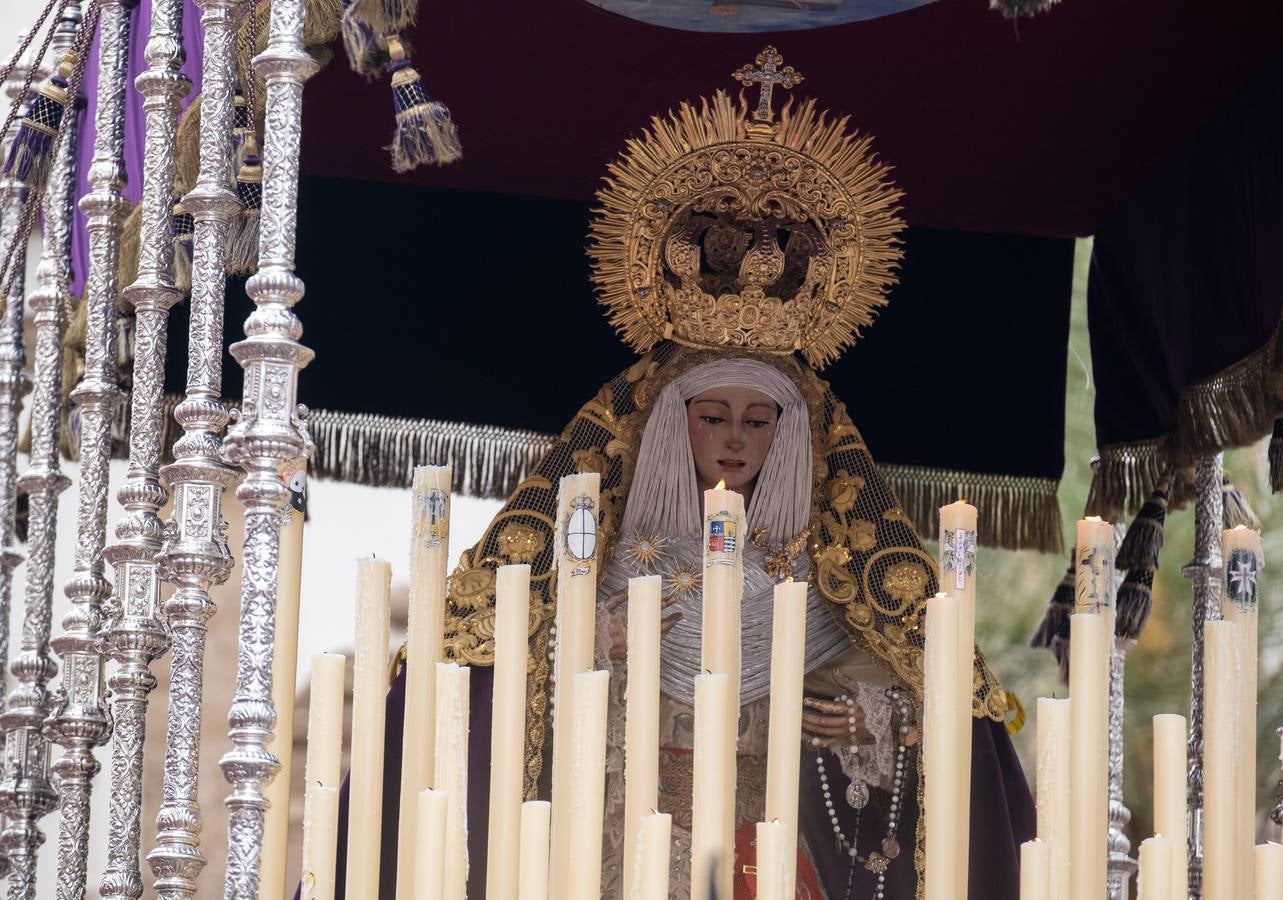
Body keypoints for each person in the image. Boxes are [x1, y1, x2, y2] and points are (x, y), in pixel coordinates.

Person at [338, 49, 1033, 900]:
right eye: (713, 416)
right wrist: (593, 645)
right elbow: (487, 690)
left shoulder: (829, 580)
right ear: (673, 424)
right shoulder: (608, 564)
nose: (736, 440)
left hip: (761, 859)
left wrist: (877, 722)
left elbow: (922, 694)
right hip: (611, 854)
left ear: (793, 434)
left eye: (759, 419)